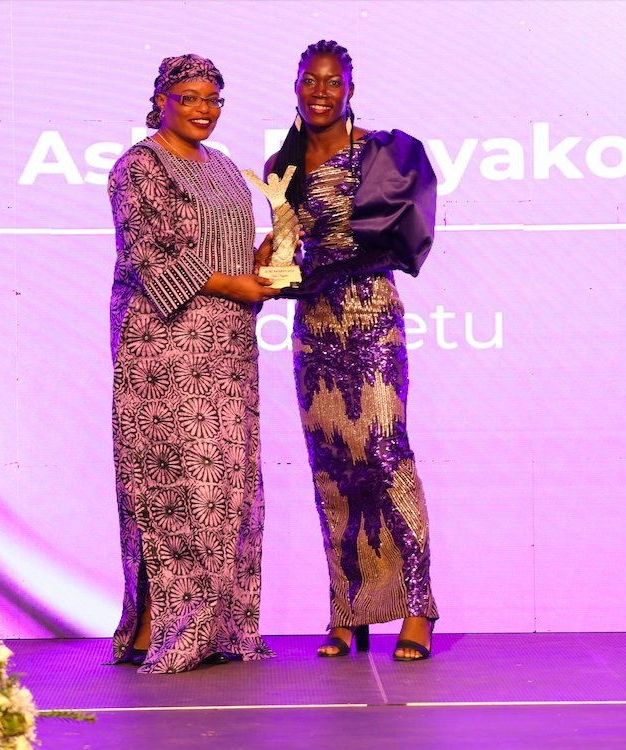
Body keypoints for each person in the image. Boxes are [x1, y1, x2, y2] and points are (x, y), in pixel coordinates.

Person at [263, 40, 439, 661]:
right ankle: (347, 612)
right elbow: (286, 252)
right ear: (296, 87)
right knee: (332, 470)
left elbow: (403, 234)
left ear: (349, 90)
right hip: (315, 330)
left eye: (330, 82)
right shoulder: (282, 164)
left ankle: (417, 609)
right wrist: (255, 271)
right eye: (309, 80)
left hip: (371, 318)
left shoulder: (383, 153)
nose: (319, 91)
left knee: (388, 458)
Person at [108, 53, 279, 674]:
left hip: (228, 349)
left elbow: (235, 254)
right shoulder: (138, 167)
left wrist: (268, 259)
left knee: (227, 484)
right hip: (163, 346)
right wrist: (233, 284)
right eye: (190, 98)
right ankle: (159, 625)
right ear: (161, 101)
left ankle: (218, 627)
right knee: (170, 483)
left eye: (214, 99)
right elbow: (152, 259)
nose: (204, 110)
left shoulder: (228, 169)